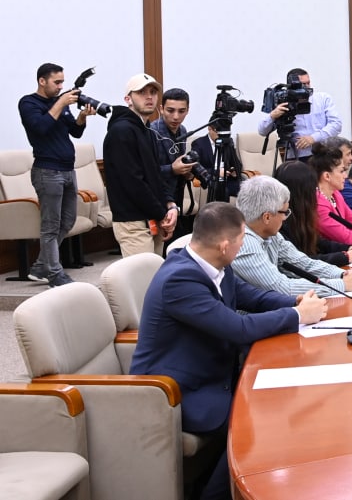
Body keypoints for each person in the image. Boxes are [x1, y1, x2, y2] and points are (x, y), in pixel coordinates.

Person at [130, 202, 328, 500]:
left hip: (212, 371)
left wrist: (296, 302)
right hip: (178, 391)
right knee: (261, 422)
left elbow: (253, 298)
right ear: (225, 245)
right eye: (240, 241)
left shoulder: (213, 263)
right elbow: (237, 328)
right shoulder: (179, 280)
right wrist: (298, 316)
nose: (242, 247)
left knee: (281, 400)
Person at [230, 175, 352, 296]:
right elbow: (282, 287)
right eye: (285, 212)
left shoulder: (270, 234)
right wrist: (344, 284)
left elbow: (304, 263)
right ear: (267, 217)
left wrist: (344, 274)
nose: (286, 218)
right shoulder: (245, 243)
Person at [17, 62, 96, 287]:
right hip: (47, 171)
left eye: (63, 82)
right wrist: (61, 103)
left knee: (68, 220)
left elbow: (75, 131)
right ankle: (54, 274)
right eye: (57, 82)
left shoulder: (60, 102)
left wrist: (82, 117)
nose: (61, 86)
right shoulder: (28, 103)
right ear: (42, 81)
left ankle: (41, 266)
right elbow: (40, 127)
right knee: (50, 226)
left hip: (68, 170)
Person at [103, 73, 178, 256]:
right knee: (142, 274)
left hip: (153, 216)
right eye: (142, 92)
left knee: (156, 272)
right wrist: (161, 213)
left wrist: (170, 205)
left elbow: (156, 175)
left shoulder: (148, 131)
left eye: (153, 92)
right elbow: (132, 182)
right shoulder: (121, 131)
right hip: (133, 222)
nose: (149, 97)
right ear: (128, 99)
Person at [276, 160, 352, 267]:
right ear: (303, 192)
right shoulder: (281, 222)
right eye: (313, 188)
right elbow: (301, 261)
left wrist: (348, 248)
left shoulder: (301, 214)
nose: (316, 193)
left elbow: (318, 243)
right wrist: (345, 257)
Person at [256, 67, 341, 160]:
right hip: (297, 157)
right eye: (303, 84)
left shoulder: (323, 99)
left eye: (308, 83)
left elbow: (336, 125)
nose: (307, 87)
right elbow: (262, 131)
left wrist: (313, 138)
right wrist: (272, 116)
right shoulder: (284, 103)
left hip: (324, 154)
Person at [150, 88, 198, 214]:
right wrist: (172, 169)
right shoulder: (151, 132)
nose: (176, 117)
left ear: (187, 110)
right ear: (161, 109)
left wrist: (186, 171)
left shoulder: (183, 130)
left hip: (177, 191)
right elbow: (147, 172)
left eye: (181, 111)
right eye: (170, 110)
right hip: (156, 195)